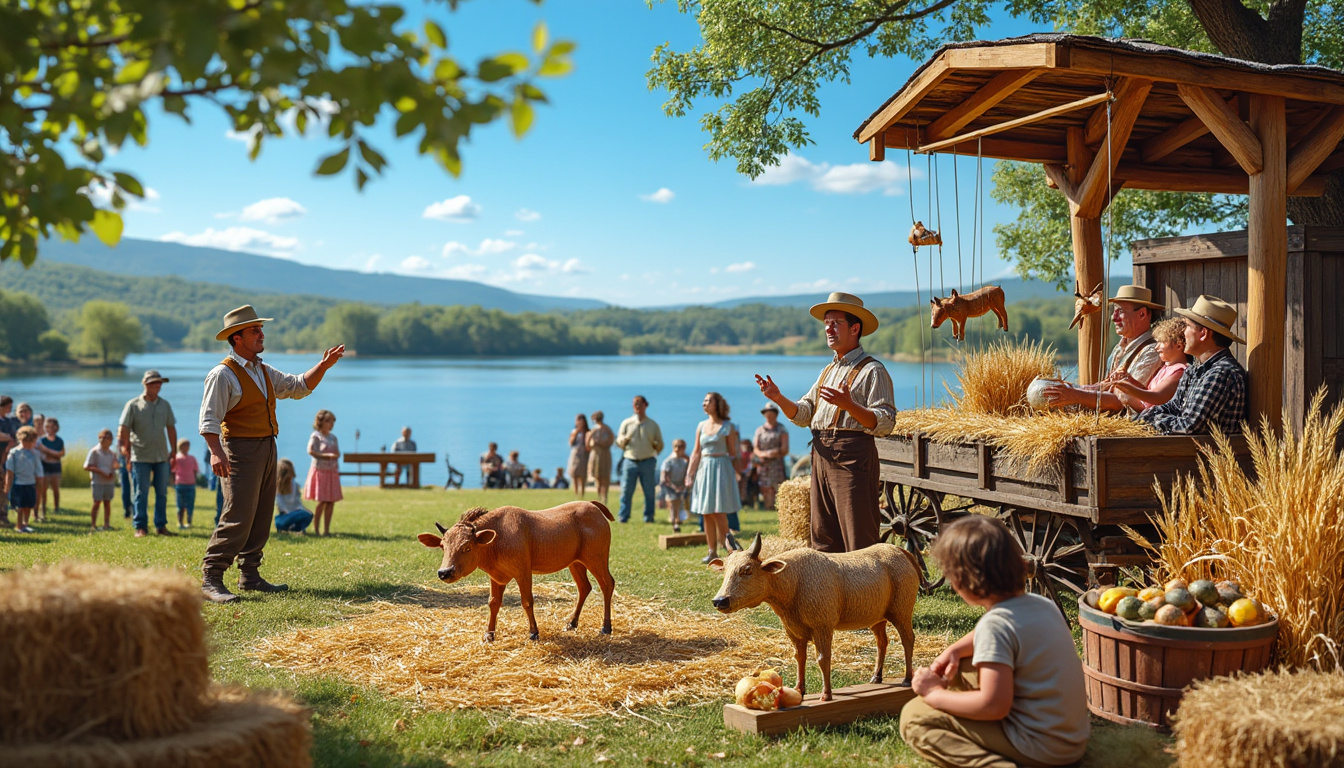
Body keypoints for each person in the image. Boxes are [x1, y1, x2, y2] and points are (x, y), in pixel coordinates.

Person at [900, 515, 1089, 768]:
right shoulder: (1043, 605)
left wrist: (932, 693)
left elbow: (994, 705)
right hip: (1070, 741)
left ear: (962, 581)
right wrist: (955, 649)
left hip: (1041, 749)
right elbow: (1000, 634)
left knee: (914, 717)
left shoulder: (995, 626)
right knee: (966, 667)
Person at [199, 304, 344, 604]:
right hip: (239, 451)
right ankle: (211, 578)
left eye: (260, 328)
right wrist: (216, 452)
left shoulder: (264, 371)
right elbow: (209, 419)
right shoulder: (222, 374)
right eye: (255, 330)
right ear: (237, 338)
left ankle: (249, 576)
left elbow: (299, 386)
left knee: (262, 514)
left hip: (267, 448)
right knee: (237, 515)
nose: (261, 334)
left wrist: (323, 366)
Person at [756, 292, 896, 553]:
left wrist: (850, 406)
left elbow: (886, 422)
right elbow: (805, 413)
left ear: (855, 328)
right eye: (826, 323)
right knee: (823, 536)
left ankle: (865, 593)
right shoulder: (828, 371)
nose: (828, 329)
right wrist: (777, 398)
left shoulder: (872, 370)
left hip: (853, 457)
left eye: (835, 323)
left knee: (858, 537)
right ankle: (832, 593)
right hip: (820, 454)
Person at [1135, 295, 1248, 435]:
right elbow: (1173, 406)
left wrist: (1150, 419)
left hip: (1203, 455)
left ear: (1203, 333)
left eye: (1187, 326)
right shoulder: (1196, 368)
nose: (1183, 332)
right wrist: (1145, 419)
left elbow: (1188, 426)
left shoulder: (1221, 373)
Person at [1042, 285, 1164, 412]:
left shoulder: (1152, 352)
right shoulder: (1119, 348)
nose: (1113, 317)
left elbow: (1122, 401)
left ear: (1142, 314)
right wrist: (1069, 389)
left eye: (1121, 311)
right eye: (1114, 311)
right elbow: (1105, 387)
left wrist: (1075, 395)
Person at [120, 370, 179, 538]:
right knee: (141, 492)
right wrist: (125, 450)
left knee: (162, 492)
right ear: (145, 384)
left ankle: (161, 526)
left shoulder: (165, 405)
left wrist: (173, 451)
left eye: (160, 383)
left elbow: (171, 428)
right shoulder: (133, 405)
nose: (158, 386)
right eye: (154, 383)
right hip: (140, 456)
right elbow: (123, 429)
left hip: (161, 456)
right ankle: (140, 527)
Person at [687, 392, 741, 563]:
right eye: (703, 400)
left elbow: (733, 452)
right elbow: (696, 452)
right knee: (706, 512)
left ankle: (730, 549)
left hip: (721, 467)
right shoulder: (701, 425)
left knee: (719, 511)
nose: (704, 403)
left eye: (708, 401)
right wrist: (689, 474)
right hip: (705, 467)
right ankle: (712, 552)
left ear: (717, 404)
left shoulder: (728, 426)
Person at [1109, 317, 1189, 411]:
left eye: (1162, 342)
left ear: (1179, 345)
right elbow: (1149, 392)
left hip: (1152, 416)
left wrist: (1128, 388)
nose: (1156, 347)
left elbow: (1156, 396)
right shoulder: (1166, 367)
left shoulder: (1179, 371)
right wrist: (1129, 380)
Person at [615, 395, 664, 524]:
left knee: (649, 491)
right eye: (634, 403)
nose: (637, 406)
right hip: (630, 460)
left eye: (639, 403)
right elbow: (619, 441)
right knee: (626, 490)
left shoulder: (652, 425)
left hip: (647, 460)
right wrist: (624, 440)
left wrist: (656, 446)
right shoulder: (627, 423)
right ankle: (623, 516)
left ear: (645, 405)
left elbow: (660, 444)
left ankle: (649, 517)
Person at [305, 409, 343, 536]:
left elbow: (337, 453)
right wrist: (326, 456)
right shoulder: (316, 436)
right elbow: (311, 450)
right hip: (320, 472)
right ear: (321, 422)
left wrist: (334, 456)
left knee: (330, 501)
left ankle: (326, 530)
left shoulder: (333, 438)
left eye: (332, 421)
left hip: (332, 472)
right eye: (328, 421)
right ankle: (316, 530)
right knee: (322, 501)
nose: (331, 424)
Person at [5, 426, 44, 533]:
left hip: (30, 483)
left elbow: (39, 471)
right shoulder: (14, 453)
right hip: (18, 484)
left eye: (32, 441)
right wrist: (7, 487)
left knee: (29, 505)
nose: (31, 444)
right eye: (28, 441)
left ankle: (25, 524)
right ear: (21, 440)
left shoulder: (35, 454)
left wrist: (39, 483)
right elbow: (10, 471)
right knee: (19, 506)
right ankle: (18, 525)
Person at [753, 403, 790, 511]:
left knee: (777, 487)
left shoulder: (782, 429)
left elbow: (784, 449)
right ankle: (767, 507)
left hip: (777, 464)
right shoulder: (759, 430)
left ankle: (778, 509)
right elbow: (755, 448)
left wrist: (772, 453)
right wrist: (762, 454)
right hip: (763, 464)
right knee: (765, 488)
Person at [84, 428, 119, 532]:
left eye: (107, 438)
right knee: (97, 503)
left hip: (109, 482)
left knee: (107, 503)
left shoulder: (112, 454)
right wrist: (101, 472)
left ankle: (106, 524)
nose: (104, 440)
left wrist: (113, 472)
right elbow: (86, 466)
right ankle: (93, 525)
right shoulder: (94, 451)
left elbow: (115, 466)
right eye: (102, 437)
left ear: (111, 440)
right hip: (98, 482)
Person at [274, 458, 314, 534]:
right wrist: (289, 513)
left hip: (296, 513)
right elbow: (281, 505)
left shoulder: (295, 485)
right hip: (285, 516)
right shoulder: (277, 488)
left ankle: (295, 528)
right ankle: (286, 526)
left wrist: (304, 510)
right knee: (288, 519)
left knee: (307, 515)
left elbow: (298, 502)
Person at [37, 416, 65, 521]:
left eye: (50, 427)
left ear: (56, 428)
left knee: (56, 489)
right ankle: (43, 509)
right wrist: (54, 454)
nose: (47, 429)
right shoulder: (42, 440)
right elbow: (42, 453)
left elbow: (62, 453)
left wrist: (48, 452)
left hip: (56, 467)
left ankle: (56, 508)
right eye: (46, 426)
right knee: (43, 490)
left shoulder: (59, 440)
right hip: (44, 467)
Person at [660, 438, 690, 533]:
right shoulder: (668, 461)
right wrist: (673, 487)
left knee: (680, 504)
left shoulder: (684, 461)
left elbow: (687, 473)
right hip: (671, 487)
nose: (677, 449)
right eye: (676, 446)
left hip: (681, 486)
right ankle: (674, 523)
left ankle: (678, 520)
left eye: (680, 447)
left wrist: (683, 486)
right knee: (673, 504)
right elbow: (665, 477)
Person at [586, 411, 614, 506]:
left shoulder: (599, 430)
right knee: (600, 477)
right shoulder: (604, 429)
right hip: (598, 454)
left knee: (602, 478)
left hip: (601, 454)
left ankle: (602, 498)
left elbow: (588, 444)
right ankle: (602, 498)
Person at [173, 438, 199, 529]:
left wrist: (194, 480)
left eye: (188, 445)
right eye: (185, 445)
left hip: (191, 484)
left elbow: (195, 470)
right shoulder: (177, 458)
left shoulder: (192, 458)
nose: (187, 447)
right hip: (180, 484)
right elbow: (173, 471)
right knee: (180, 505)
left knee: (190, 504)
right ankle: (180, 522)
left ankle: (189, 522)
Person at [0, 395, 16, 526]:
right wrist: (8, 437)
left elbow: (14, 437)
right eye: (8, 406)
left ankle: (3, 516)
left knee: (5, 488)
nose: (10, 409)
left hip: (7, 457)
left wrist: (10, 442)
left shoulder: (9, 421)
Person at [567, 413, 590, 498]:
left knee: (582, 475)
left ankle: (582, 493)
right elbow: (570, 442)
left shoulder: (588, 432)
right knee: (574, 474)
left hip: (584, 455)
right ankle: (576, 493)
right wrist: (576, 432)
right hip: (575, 454)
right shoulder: (574, 431)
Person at [734, 438, 759, 511]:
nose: (745, 447)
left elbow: (754, 465)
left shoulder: (752, 455)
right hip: (740, 474)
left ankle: (749, 503)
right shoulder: (738, 454)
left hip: (751, 476)